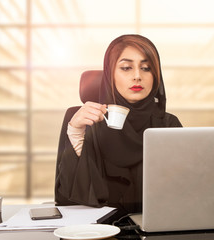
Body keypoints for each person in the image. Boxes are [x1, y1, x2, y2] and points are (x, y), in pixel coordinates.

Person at [55, 34, 182, 213]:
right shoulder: (86, 122)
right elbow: (66, 200)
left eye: (146, 68)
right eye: (126, 67)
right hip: (96, 233)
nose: (137, 76)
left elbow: (181, 193)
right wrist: (76, 133)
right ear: (110, 75)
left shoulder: (168, 125)